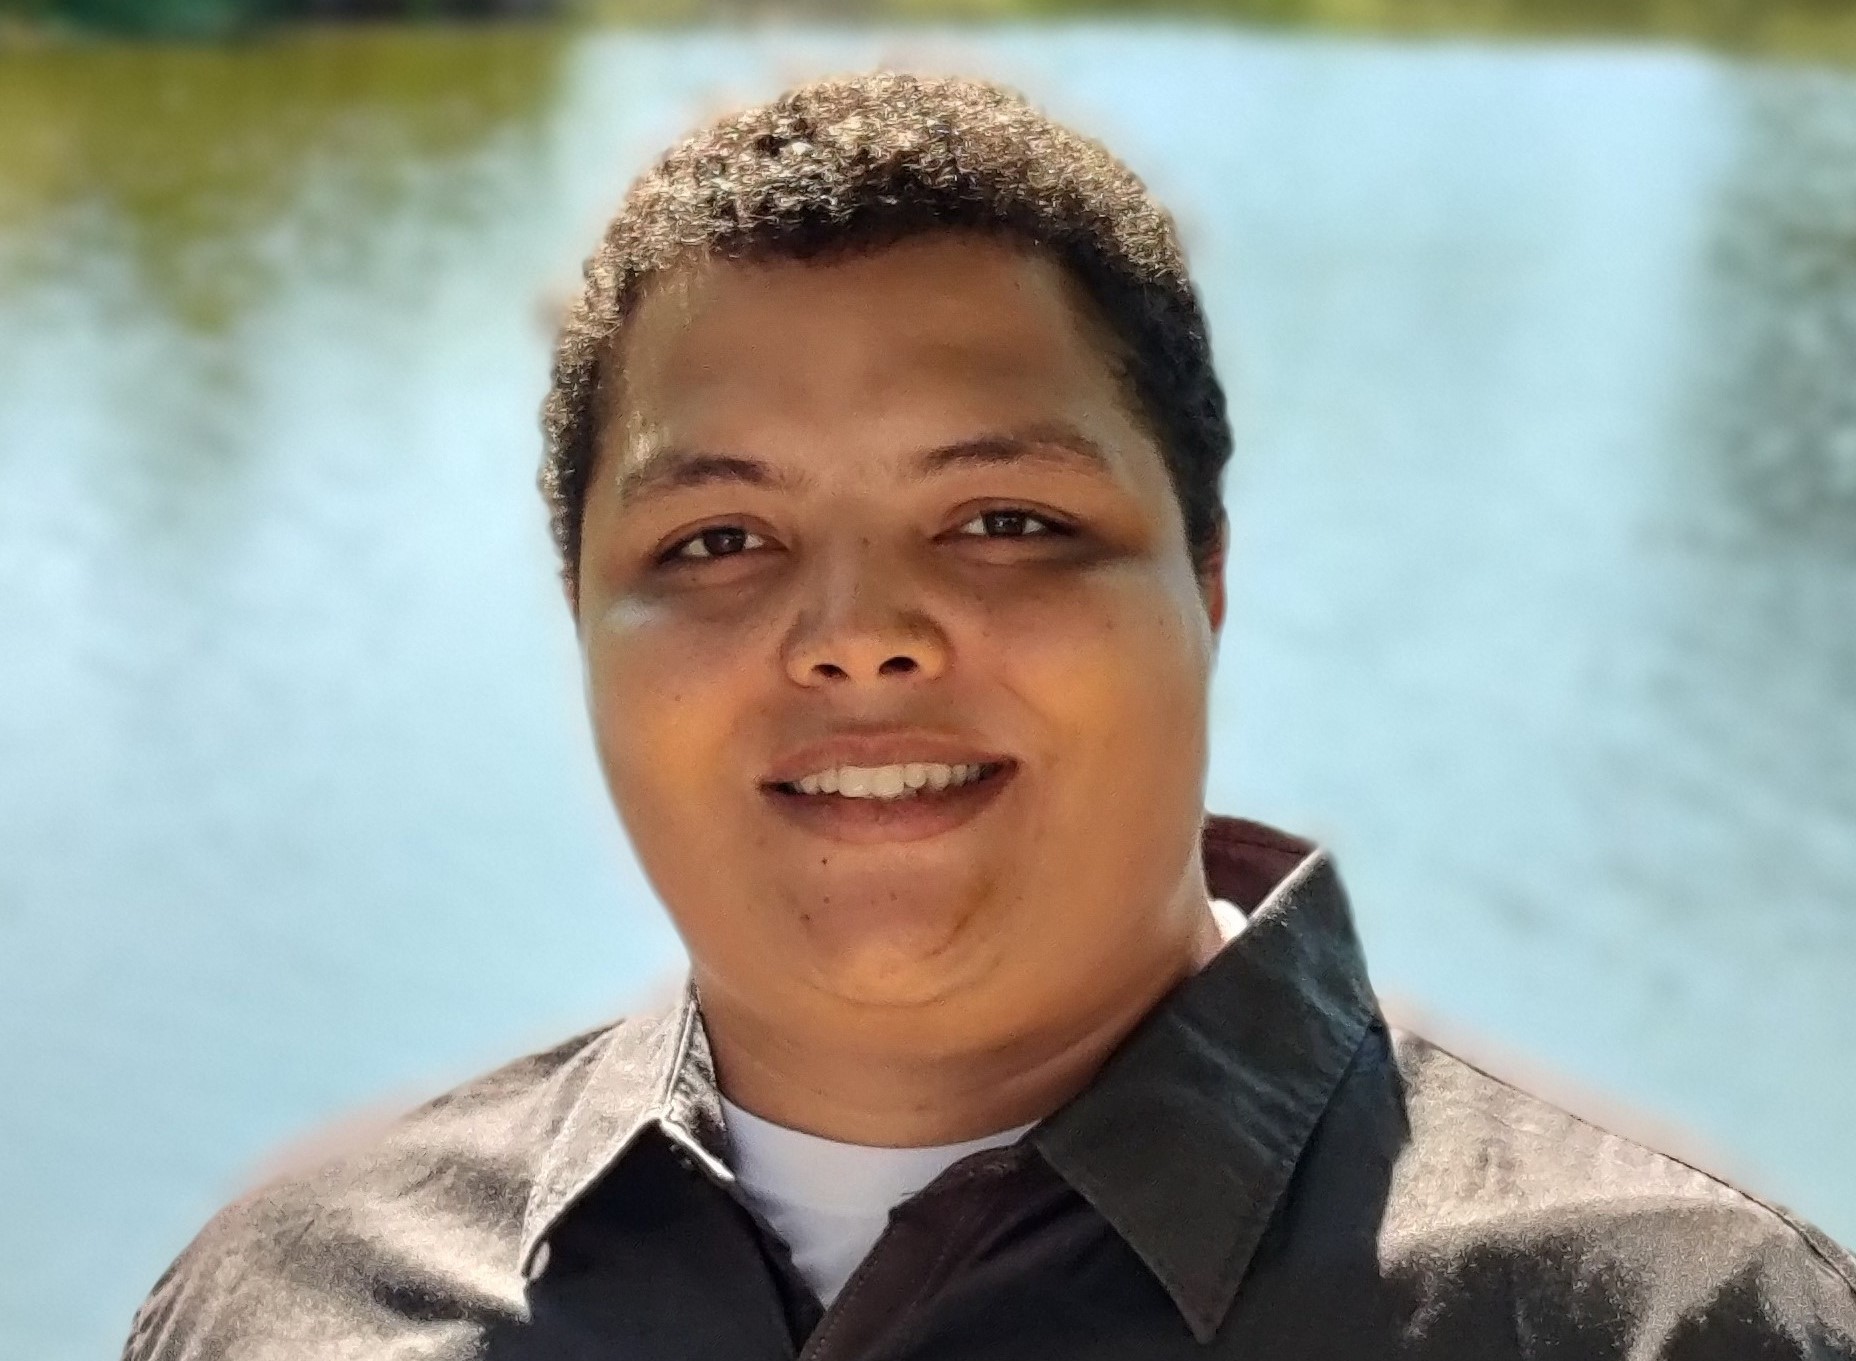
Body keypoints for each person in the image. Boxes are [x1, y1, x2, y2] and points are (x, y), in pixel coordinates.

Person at [123, 72, 1856, 1360]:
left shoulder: (1665, 1319)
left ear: (1211, 581)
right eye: (718, 540)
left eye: (1005, 521)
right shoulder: (291, 1303)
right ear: (581, 619)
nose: (861, 634)